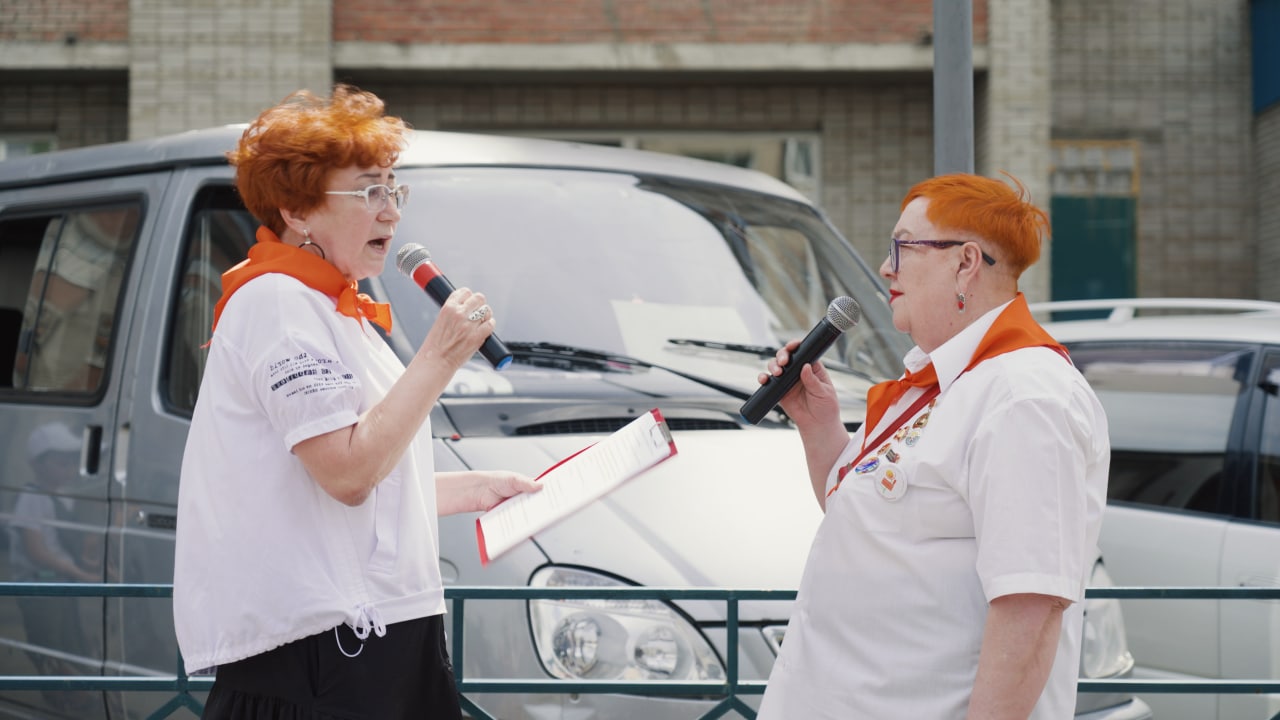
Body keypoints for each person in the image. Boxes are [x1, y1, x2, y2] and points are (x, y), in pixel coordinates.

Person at [172, 84, 540, 719]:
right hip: (324, 652)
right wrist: (440, 355)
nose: (391, 214)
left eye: (395, 190)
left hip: (382, 635)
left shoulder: (333, 308)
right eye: (370, 192)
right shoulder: (276, 302)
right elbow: (346, 473)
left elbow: (345, 482)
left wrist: (474, 490)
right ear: (297, 211)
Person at [755, 173, 1109, 719]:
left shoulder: (1025, 397)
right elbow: (871, 528)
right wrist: (817, 425)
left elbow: (1031, 608)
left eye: (902, 247)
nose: (886, 268)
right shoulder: (940, 381)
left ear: (965, 262)